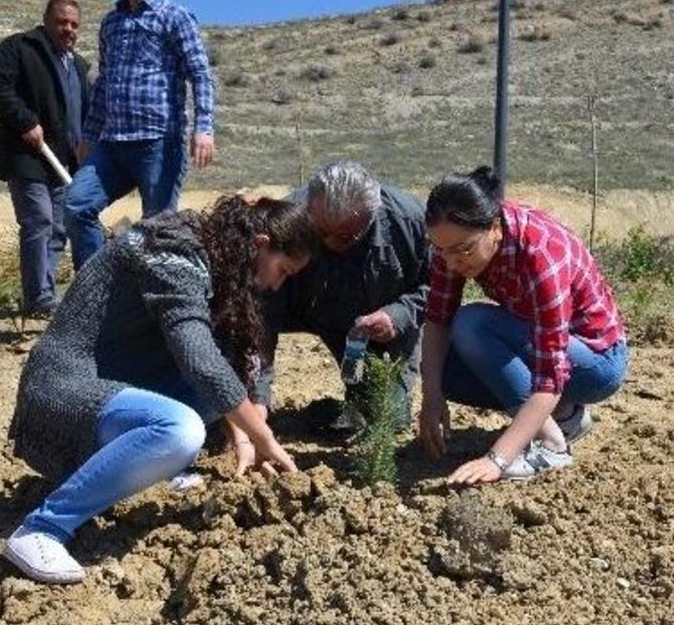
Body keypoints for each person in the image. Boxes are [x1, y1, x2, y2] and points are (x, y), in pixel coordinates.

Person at [3, 195, 316, 584]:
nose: (276, 284)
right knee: (180, 431)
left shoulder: (214, 255)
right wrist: (264, 436)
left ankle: (158, 467)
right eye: (282, 271)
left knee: (208, 395)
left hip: (109, 383)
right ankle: (43, 528)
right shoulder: (175, 254)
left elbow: (221, 365)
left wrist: (244, 440)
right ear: (261, 244)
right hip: (60, 392)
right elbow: (199, 359)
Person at [418, 167, 629, 484]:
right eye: (441, 250)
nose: (450, 263)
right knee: (447, 371)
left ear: (494, 228)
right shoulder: (454, 244)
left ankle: (553, 445)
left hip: (596, 363)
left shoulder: (541, 254)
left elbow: (550, 374)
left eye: (462, 250)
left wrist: (497, 460)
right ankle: (565, 417)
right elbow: (436, 319)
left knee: (472, 325)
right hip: (541, 344)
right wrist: (431, 396)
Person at [63, 0, 215, 269]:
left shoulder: (175, 17)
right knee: (76, 205)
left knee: (157, 232)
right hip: (112, 145)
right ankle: (95, 297)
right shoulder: (110, 23)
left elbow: (200, 74)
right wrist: (90, 135)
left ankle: (150, 309)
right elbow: (105, 83)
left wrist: (204, 128)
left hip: (158, 144)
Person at [260, 161, 430, 432]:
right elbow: (261, 311)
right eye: (319, 231)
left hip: (376, 324)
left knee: (386, 419)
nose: (325, 243)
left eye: (342, 236)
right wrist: (257, 401)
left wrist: (397, 315)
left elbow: (439, 288)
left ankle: (335, 411)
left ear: (370, 217)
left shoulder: (410, 223)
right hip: (307, 307)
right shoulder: (288, 218)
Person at [0, 0, 90, 316]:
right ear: (46, 20)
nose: (68, 28)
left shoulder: (79, 65)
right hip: (27, 156)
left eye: (74, 24)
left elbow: (85, 111)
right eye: (61, 21)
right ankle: (38, 299)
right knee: (38, 221)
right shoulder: (20, 47)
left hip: (64, 161)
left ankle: (46, 293)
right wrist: (25, 120)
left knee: (58, 228)